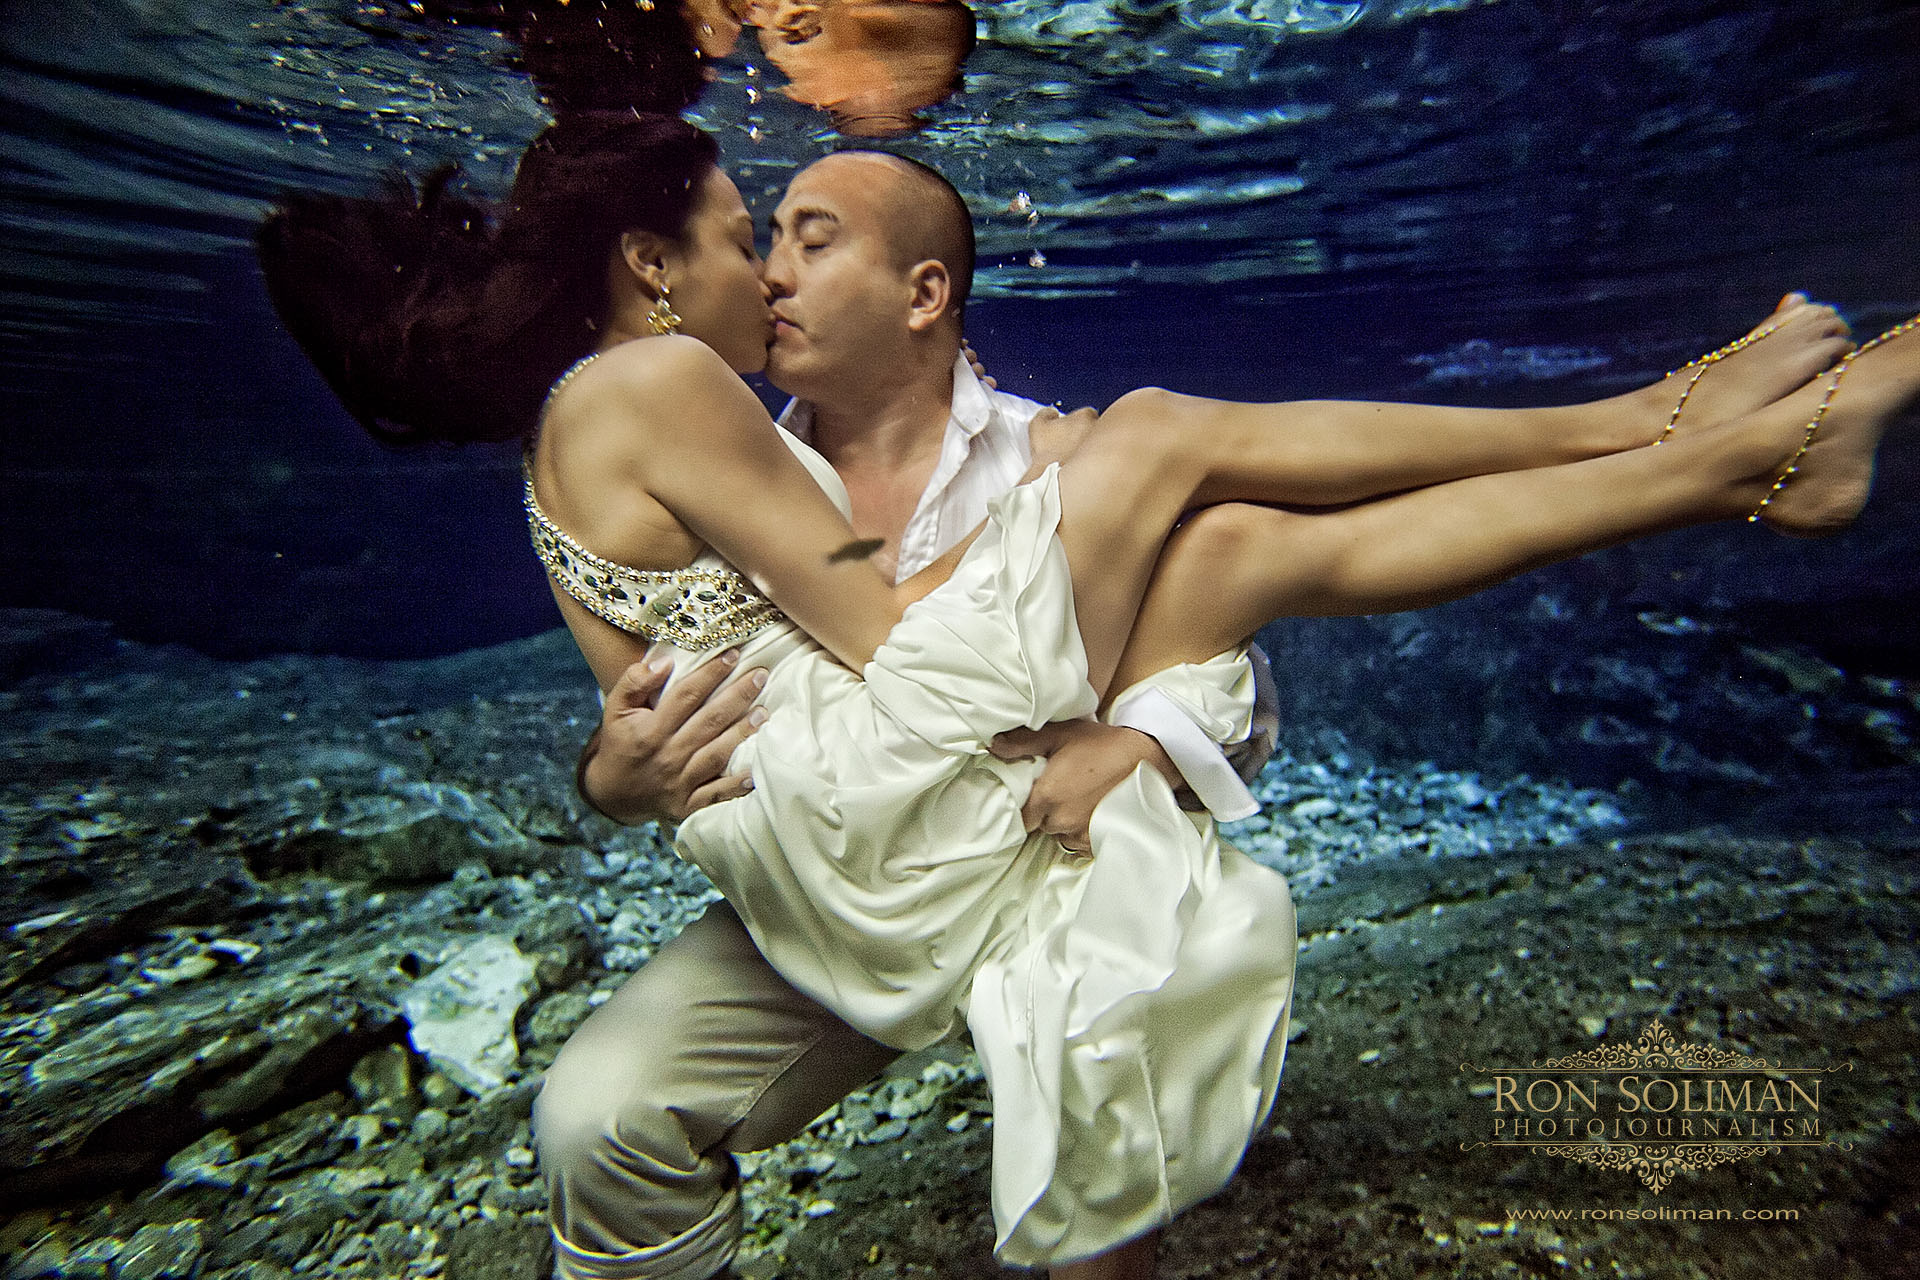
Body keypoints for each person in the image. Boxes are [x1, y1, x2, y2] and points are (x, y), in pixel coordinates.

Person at [256, 113, 1912, 1278]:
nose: (761, 268)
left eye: (794, 239)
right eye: (747, 230)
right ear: (651, 260)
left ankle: (1727, 453)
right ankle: (1677, 425)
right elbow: (865, 624)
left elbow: (685, 670)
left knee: (1229, 529)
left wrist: (1125, 693)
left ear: (926, 299)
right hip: (872, 784)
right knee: (1180, 447)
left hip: (844, 819)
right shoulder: (666, 382)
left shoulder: (615, 431)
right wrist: (613, 781)